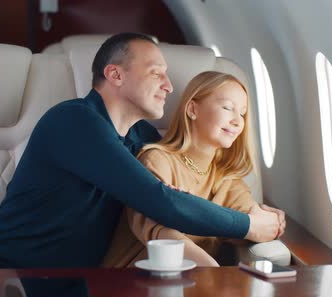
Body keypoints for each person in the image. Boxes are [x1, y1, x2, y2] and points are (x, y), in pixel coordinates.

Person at [0, 33, 280, 268]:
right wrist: (249, 225)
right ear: (115, 75)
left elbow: (179, 186)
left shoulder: (141, 137)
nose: (169, 86)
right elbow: (162, 201)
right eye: (157, 73)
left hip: (69, 286)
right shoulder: (73, 121)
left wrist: (255, 210)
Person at [103, 71, 285, 268]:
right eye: (227, 108)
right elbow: (159, 233)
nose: (238, 121)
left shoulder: (227, 179)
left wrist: (270, 221)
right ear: (192, 109)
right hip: (130, 279)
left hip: (189, 282)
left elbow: (258, 225)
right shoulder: (156, 160)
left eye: (242, 113)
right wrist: (213, 271)